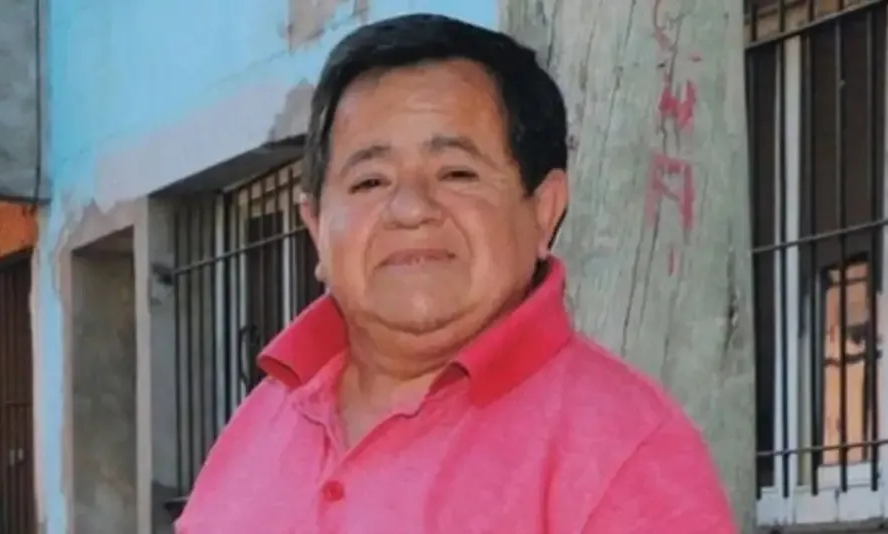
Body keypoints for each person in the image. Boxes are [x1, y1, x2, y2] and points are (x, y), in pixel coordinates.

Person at [177, 13, 737, 534]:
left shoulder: (623, 451)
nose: (410, 209)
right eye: (370, 181)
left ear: (544, 210)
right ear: (316, 225)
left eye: (456, 173)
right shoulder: (261, 420)